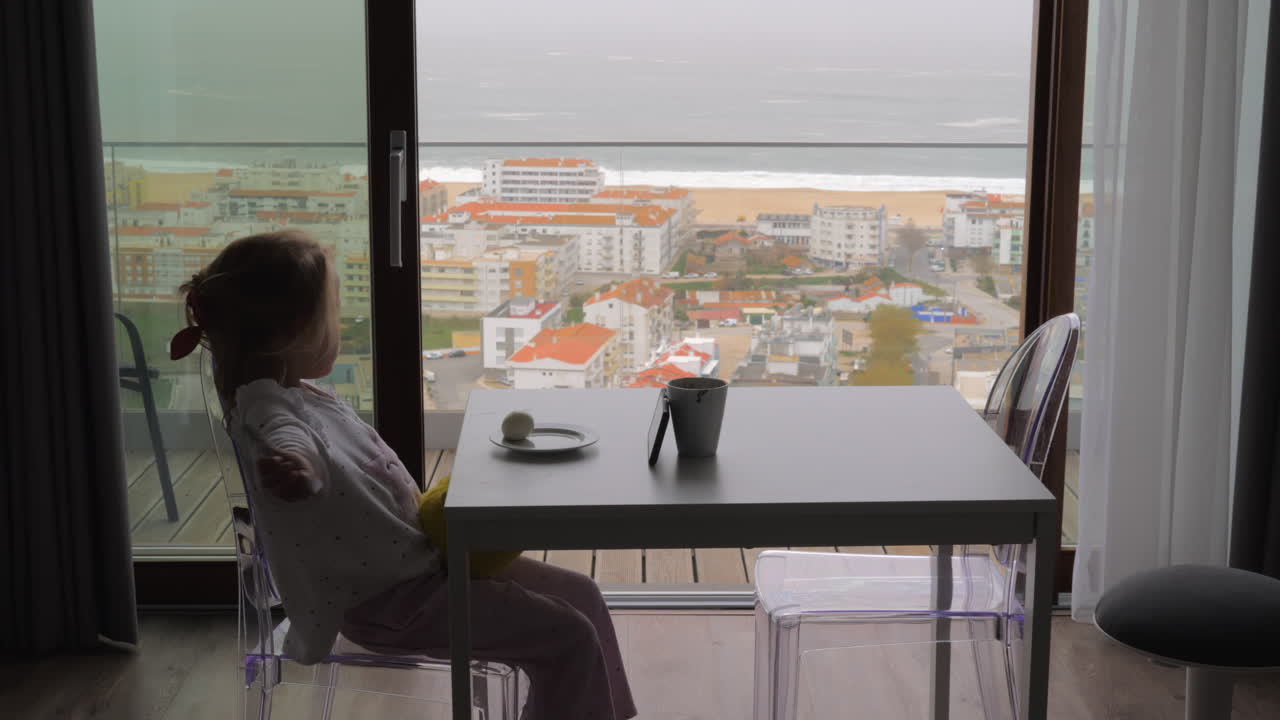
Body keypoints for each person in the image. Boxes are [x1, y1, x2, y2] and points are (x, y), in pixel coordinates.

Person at [174, 230, 635, 720]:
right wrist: (299, 467)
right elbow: (287, 437)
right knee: (566, 634)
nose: (341, 325)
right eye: (331, 314)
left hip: (424, 570)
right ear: (294, 334)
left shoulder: (292, 393)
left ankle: (600, 712)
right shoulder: (267, 408)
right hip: (394, 605)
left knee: (581, 596)